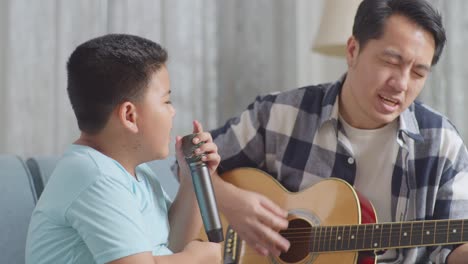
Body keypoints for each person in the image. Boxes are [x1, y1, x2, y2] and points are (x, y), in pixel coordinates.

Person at [208, 0, 468, 263]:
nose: (401, 83)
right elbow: (188, 160)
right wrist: (229, 200)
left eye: (418, 73)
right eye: (390, 61)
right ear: (353, 50)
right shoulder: (279, 114)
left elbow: (453, 249)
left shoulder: (442, 144)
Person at [25, 34, 222, 264]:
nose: (173, 111)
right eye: (166, 101)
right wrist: (196, 258)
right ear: (129, 115)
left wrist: (191, 181)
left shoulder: (136, 173)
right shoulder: (93, 176)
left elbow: (169, 246)